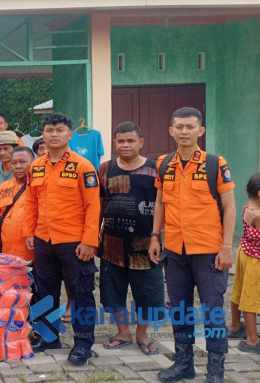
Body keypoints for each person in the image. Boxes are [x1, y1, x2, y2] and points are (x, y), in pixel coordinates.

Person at [149, 107, 236, 383]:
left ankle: (215, 371)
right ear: (171, 131)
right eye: (179, 127)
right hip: (174, 251)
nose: (184, 131)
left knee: (212, 312)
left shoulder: (214, 164)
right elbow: (160, 202)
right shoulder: (164, 163)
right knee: (180, 309)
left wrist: (226, 247)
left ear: (201, 131)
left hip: (209, 251)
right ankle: (184, 363)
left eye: (190, 127)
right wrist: (155, 236)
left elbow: (230, 207)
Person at [23, 112, 100, 366]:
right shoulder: (36, 166)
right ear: (42, 135)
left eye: (59, 130)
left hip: (74, 242)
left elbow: (92, 206)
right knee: (45, 290)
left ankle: (83, 343)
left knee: (81, 292)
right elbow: (31, 203)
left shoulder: (83, 166)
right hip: (44, 240)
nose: (53, 134)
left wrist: (89, 241)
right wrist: (29, 232)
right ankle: (49, 337)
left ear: (70, 134)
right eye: (49, 130)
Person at [97, 122, 164, 355]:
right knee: (113, 291)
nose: (125, 145)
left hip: (146, 244)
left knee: (147, 292)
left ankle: (142, 334)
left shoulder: (156, 170)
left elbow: (163, 205)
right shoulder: (105, 169)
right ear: (114, 142)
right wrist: (94, 233)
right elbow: (99, 203)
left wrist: (157, 237)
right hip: (112, 245)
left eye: (130, 141)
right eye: (120, 141)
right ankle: (123, 331)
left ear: (141, 142)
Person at [227, 173, 260, 355]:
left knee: (240, 290)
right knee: (251, 297)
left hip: (245, 252)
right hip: (256, 260)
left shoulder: (248, 207)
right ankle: (252, 339)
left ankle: (235, 325)